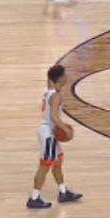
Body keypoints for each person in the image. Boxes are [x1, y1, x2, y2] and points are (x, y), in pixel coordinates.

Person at [27, 65, 84, 209]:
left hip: (47, 131)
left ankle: (63, 192)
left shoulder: (49, 91)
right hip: (48, 133)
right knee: (44, 166)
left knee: (57, 161)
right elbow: (53, 116)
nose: (67, 77)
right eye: (65, 75)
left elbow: (50, 79)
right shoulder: (57, 95)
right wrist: (66, 129)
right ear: (60, 78)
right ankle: (34, 198)